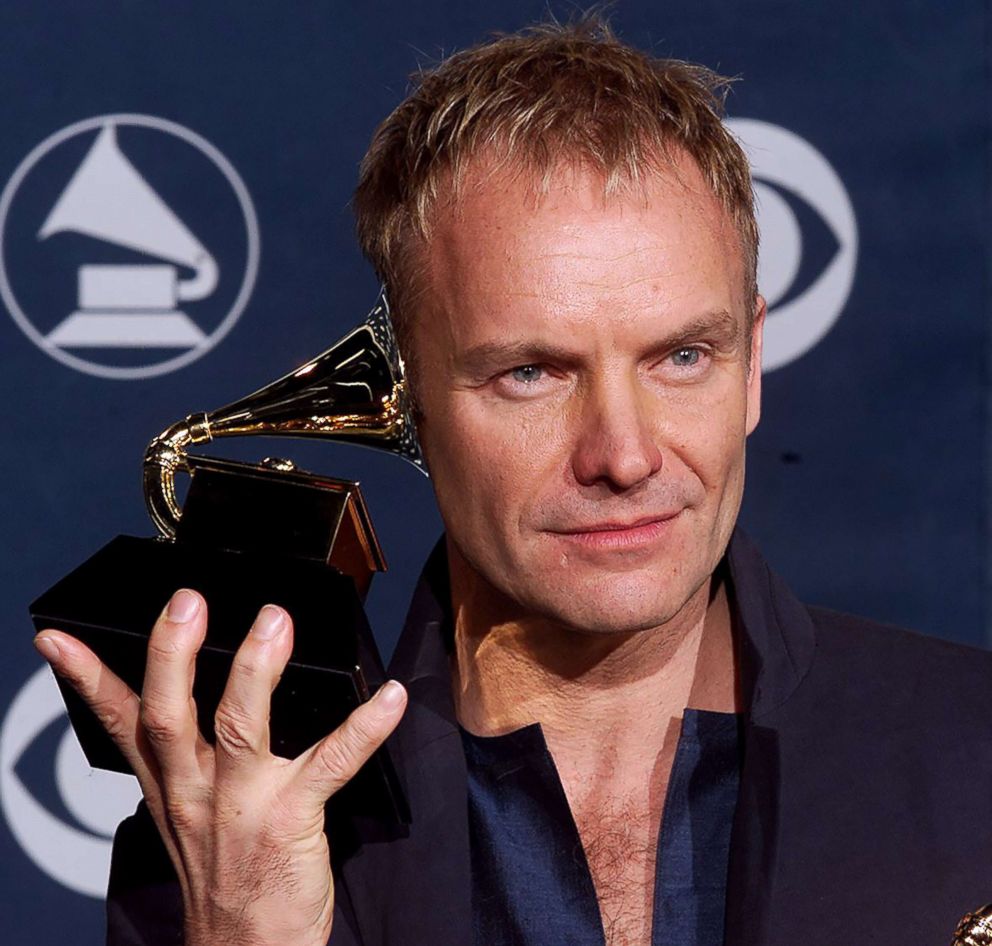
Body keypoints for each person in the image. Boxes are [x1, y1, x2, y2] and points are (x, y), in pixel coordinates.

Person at [32, 18, 992, 946]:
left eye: (683, 357)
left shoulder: (972, 750)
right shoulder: (228, 849)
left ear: (750, 368)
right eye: (531, 372)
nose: (622, 455)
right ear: (406, 395)